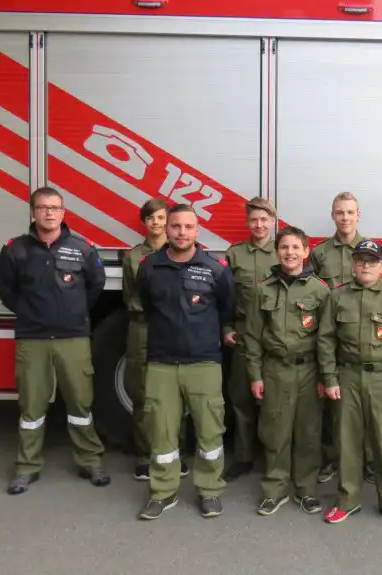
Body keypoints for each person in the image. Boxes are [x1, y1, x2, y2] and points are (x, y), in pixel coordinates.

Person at [0, 186, 110, 495]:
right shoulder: (15, 250)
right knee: (31, 406)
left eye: (55, 207)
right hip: (33, 338)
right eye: (43, 207)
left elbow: (95, 286)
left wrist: (73, 313)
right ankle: (26, 467)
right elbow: (6, 291)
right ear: (33, 212)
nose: (49, 213)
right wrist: (31, 313)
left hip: (73, 338)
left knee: (80, 403)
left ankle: (90, 461)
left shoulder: (82, 249)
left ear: (63, 212)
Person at [136, 204, 235, 520]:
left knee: (209, 430)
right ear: (166, 228)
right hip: (162, 363)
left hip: (203, 362)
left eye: (188, 227)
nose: (181, 232)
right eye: (176, 226)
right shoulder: (149, 268)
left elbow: (226, 310)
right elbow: (147, 307)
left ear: (197, 230)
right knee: (161, 430)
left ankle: (209, 489)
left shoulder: (216, 269)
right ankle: (162, 492)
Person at [317, 239, 382, 526]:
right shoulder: (337, 296)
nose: (365, 265)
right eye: (360, 260)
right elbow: (326, 340)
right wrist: (330, 378)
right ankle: (346, 500)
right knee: (347, 441)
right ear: (353, 264)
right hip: (347, 376)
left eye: (372, 261)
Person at [242, 226, 330, 516]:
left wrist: (325, 377)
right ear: (276, 251)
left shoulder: (320, 290)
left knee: (308, 433)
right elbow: (252, 337)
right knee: (275, 432)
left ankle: (306, 490)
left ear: (306, 251)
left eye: (295, 247)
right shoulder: (263, 289)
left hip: (309, 371)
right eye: (284, 247)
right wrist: (256, 375)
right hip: (275, 370)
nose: (289, 252)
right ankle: (274, 490)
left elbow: (327, 339)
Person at [310, 192, 375, 485]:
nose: (345, 217)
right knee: (331, 405)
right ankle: (330, 460)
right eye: (340, 212)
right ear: (333, 215)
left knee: (365, 407)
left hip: (361, 337)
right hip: (328, 336)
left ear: (358, 215)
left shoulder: (370, 249)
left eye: (350, 212)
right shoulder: (320, 253)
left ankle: (368, 462)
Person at [123, 198, 189, 481]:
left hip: (173, 326)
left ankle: (176, 453)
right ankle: (143, 456)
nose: (156, 223)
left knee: (176, 393)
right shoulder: (133, 257)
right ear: (144, 222)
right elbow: (129, 295)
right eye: (151, 218)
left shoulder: (179, 252)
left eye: (161, 218)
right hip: (142, 326)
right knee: (142, 392)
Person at [223, 197, 280, 481]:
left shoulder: (284, 251)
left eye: (264, 219)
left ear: (273, 221)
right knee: (241, 398)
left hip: (276, 336)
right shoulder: (235, 254)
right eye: (254, 220)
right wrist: (226, 328)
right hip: (245, 335)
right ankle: (243, 457)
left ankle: (274, 459)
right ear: (247, 223)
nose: (259, 225)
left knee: (275, 402)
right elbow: (226, 297)